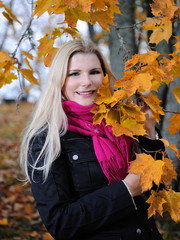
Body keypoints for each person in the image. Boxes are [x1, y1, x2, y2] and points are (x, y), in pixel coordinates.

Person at [20, 39, 165, 240]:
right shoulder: (47, 140)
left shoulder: (122, 123)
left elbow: (158, 190)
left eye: (94, 72)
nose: (87, 82)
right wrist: (125, 190)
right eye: (74, 74)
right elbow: (60, 223)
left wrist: (149, 133)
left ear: (105, 77)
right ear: (60, 80)